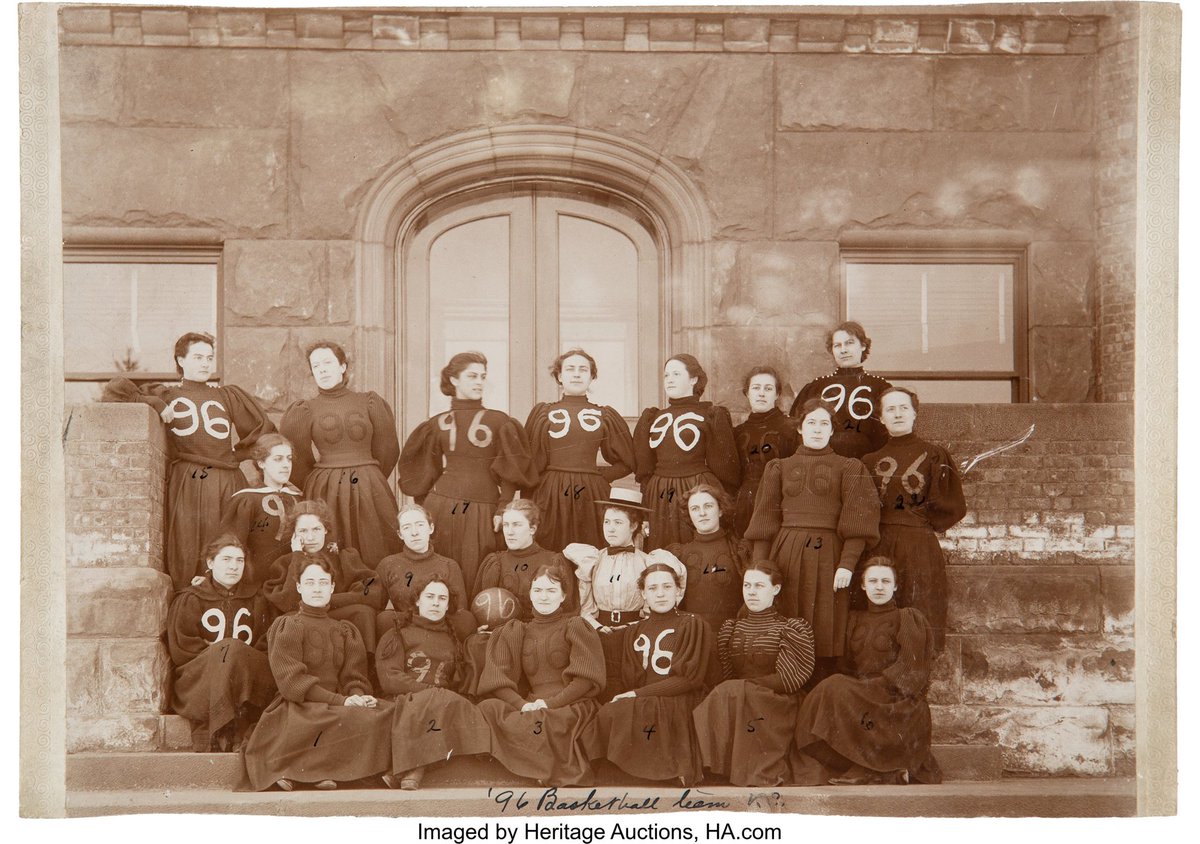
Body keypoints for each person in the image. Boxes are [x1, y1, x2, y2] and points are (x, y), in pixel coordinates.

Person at [102, 331, 275, 591]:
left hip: (228, 480)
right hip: (189, 481)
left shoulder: (227, 396)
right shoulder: (168, 394)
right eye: (197, 357)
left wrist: (235, 455)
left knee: (231, 543)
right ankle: (191, 607)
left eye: (209, 357)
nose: (205, 363)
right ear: (181, 360)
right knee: (188, 546)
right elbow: (115, 390)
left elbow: (263, 431)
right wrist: (154, 403)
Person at [745, 398, 880, 683]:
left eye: (824, 424)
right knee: (787, 620)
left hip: (830, 555)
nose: (817, 430)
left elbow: (857, 522)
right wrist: (759, 570)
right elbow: (765, 523)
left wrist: (847, 564)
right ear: (799, 429)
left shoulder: (848, 467)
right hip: (786, 552)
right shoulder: (778, 468)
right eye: (811, 423)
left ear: (832, 431)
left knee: (826, 626)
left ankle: (820, 691)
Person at [243, 558, 393, 791]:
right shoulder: (288, 626)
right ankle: (313, 771)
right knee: (325, 718)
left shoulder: (345, 629)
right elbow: (292, 684)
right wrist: (341, 700)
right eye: (310, 582)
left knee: (383, 713)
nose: (317, 588)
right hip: (301, 703)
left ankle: (333, 771)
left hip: (338, 702)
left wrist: (358, 695)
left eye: (323, 583)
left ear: (332, 587)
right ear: (300, 587)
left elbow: (354, 676)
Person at [794, 559, 942, 785]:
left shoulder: (908, 617)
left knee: (834, 685)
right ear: (863, 586)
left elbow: (910, 672)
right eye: (872, 581)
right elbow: (847, 668)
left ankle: (878, 766)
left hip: (897, 701)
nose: (879, 587)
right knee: (830, 687)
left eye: (885, 581)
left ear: (895, 586)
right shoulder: (854, 619)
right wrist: (857, 690)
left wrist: (864, 689)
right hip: (862, 699)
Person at [398, 351, 537, 591]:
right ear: (454, 380)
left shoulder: (499, 421)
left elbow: (510, 471)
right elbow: (422, 472)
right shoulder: (436, 423)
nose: (479, 382)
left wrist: (504, 507)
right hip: (440, 508)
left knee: (479, 573)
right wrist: (427, 509)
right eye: (472, 376)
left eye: (483, 376)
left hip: (485, 510)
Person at [476, 566, 606, 785]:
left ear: (564, 596)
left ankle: (541, 770)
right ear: (530, 593)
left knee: (547, 720)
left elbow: (584, 679)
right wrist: (522, 704)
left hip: (570, 703)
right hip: (533, 704)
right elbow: (497, 679)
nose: (543, 597)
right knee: (489, 709)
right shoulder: (516, 630)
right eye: (538, 590)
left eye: (551, 591)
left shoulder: (575, 626)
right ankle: (536, 768)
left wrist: (550, 703)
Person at [585, 563, 712, 785]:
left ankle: (671, 772)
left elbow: (690, 679)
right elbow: (628, 678)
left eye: (667, 587)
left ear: (678, 591)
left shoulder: (692, 623)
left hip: (681, 696)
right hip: (644, 697)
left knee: (648, 707)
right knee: (612, 710)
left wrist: (636, 694)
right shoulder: (634, 630)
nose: (660, 594)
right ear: (643, 593)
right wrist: (632, 694)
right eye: (652, 588)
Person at [692, 562, 816, 787]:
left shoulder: (790, 628)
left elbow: (789, 680)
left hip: (778, 702)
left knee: (733, 691)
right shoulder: (732, 629)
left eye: (759, 585)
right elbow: (727, 676)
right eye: (747, 585)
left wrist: (745, 686)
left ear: (776, 589)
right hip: (742, 698)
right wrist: (741, 688)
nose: (751, 592)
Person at [861, 387, 966, 652]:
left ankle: (916, 680)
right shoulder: (868, 461)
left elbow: (952, 506)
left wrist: (917, 522)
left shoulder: (934, 455)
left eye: (903, 408)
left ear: (914, 413)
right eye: (890, 409)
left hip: (919, 544)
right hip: (878, 545)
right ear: (881, 418)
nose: (898, 414)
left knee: (920, 612)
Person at [280, 341, 402, 569]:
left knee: (375, 548)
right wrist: (319, 481)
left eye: (327, 363)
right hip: (326, 489)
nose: (322, 370)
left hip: (369, 485)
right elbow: (296, 459)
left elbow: (388, 450)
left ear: (343, 366)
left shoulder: (369, 402)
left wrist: (370, 475)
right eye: (316, 366)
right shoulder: (305, 409)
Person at [562, 488, 686, 697]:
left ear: (634, 526)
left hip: (635, 635)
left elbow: (674, 585)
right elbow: (586, 605)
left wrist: (640, 623)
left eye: (618, 523)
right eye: (607, 522)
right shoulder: (593, 560)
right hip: (599, 634)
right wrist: (597, 626)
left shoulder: (649, 561)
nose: (610, 528)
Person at [376, 576, 491, 790]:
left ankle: (406, 771)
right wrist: (430, 691)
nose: (436, 603)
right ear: (418, 601)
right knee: (439, 700)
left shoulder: (454, 639)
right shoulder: (397, 634)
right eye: (429, 597)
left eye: (442, 598)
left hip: (441, 706)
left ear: (448, 605)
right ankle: (415, 769)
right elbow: (390, 678)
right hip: (405, 701)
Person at [166, 536, 275, 752]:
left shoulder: (256, 599)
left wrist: (235, 656)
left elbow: (265, 643)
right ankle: (223, 730)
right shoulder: (191, 598)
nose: (234, 567)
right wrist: (221, 654)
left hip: (245, 677)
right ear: (210, 563)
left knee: (233, 650)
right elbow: (182, 648)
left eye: (240, 560)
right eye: (226, 559)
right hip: (199, 678)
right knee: (229, 649)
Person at [523, 349, 636, 551]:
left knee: (591, 549)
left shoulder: (604, 414)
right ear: (559, 376)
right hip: (551, 493)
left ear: (592, 376)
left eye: (583, 370)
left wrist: (599, 476)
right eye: (570, 369)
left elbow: (628, 461)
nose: (576, 374)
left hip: (591, 493)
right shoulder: (543, 412)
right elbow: (530, 463)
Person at [633, 354, 740, 550]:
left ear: (693, 379)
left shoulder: (710, 415)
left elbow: (726, 470)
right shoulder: (653, 417)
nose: (670, 379)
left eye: (676, 374)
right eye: (666, 375)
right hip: (660, 494)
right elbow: (644, 469)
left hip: (696, 488)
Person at [262, 501, 386, 654]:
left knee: (363, 613)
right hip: (303, 620)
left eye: (316, 529)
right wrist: (297, 555)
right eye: (303, 531)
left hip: (335, 616)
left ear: (326, 529)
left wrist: (327, 600)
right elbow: (289, 603)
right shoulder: (285, 563)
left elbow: (371, 593)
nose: (310, 537)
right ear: (294, 533)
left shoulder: (343, 557)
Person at [788, 321, 892, 461]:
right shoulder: (816, 387)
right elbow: (795, 430)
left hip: (866, 464)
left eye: (849, 343)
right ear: (832, 350)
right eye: (837, 345)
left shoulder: (880, 387)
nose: (843, 350)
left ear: (863, 346)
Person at [375, 504, 475, 640]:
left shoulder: (449, 565)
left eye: (420, 525)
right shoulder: (388, 564)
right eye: (406, 527)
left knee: (466, 620)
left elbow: (460, 610)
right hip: (406, 632)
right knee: (384, 619)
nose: (414, 532)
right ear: (400, 534)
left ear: (431, 528)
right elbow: (375, 606)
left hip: (440, 630)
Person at [219, 433, 303, 589]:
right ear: (261, 463)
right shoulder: (247, 500)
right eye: (278, 459)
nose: (286, 465)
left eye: (289, 459)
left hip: (292, 583)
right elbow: (230, 543)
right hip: (256, 585)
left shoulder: (299, 500)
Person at [667, 484, 750, 636]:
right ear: (689, 515)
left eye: (708, 506)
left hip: (731, 637)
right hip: (692, 639)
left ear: (720, 510)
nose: (702, 513)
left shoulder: (740, 551)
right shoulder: (679, 554)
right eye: (695, 509)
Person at [473, 500, 578, 620]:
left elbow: (568, 611)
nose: (509, 532)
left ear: (532, 529)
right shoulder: (495, 563)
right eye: (506, 525)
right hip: (503, 634)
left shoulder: (554, 561)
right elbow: (481, 609)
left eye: (517, 525)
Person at [732, 367, 799, 537]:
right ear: (747, 393)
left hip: (781, 505)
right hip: (745, 506)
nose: (761, 393)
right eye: (756, 388)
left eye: (768, 389)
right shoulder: (737, 432)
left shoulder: (791, 428)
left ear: (777, 394)